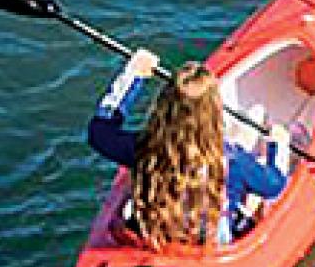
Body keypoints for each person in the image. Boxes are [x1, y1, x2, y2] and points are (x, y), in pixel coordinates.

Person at [86, 48, 292, 248]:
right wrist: (278, 145)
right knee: (260, 170)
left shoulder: (143, 147)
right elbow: (274, 185)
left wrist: (132, 75)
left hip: (153, 232)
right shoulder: (233, 159)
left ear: (164, 106)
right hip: (208, 241)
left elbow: (99, 130)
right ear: (213, 110)